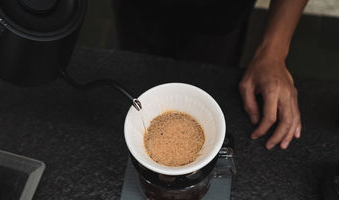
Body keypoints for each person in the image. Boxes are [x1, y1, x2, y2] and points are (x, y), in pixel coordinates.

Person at [114, 0, 308, 150]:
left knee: (214, 81)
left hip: (220, 15)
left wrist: (273, 51)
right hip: (138, 11)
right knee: (140, 74)